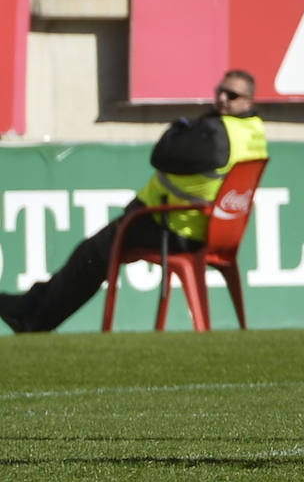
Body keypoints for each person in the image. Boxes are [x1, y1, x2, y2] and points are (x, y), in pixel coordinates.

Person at [0, 71, 268, 333]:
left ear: (248, 101)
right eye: (219, 91)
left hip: (173, 226)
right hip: (217, 232)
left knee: (91, 256)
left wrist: (181, 126)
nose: (222, 98)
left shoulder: (216, 133)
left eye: (231, 95)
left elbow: (162, 154)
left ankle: (33, 316)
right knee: (93, 252)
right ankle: (31, 308)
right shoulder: (255, 132)